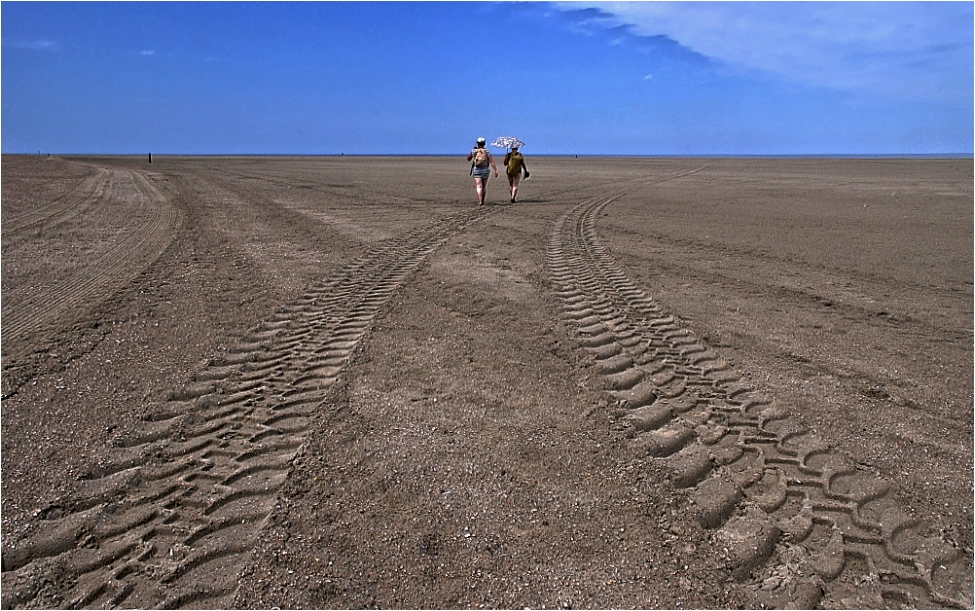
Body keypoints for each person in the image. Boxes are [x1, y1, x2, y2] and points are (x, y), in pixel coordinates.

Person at [466, 137, 498, 205]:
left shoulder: (474, 151)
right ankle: (482, 200)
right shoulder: (487, 151)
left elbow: (468, 159)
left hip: (477, 169)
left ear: (478, 143)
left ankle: (480, 201)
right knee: (483, 186)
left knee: (478, 186)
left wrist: (472, 152)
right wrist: (495, 170)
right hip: (485, 170)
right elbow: (491, 161)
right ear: (484, 144)